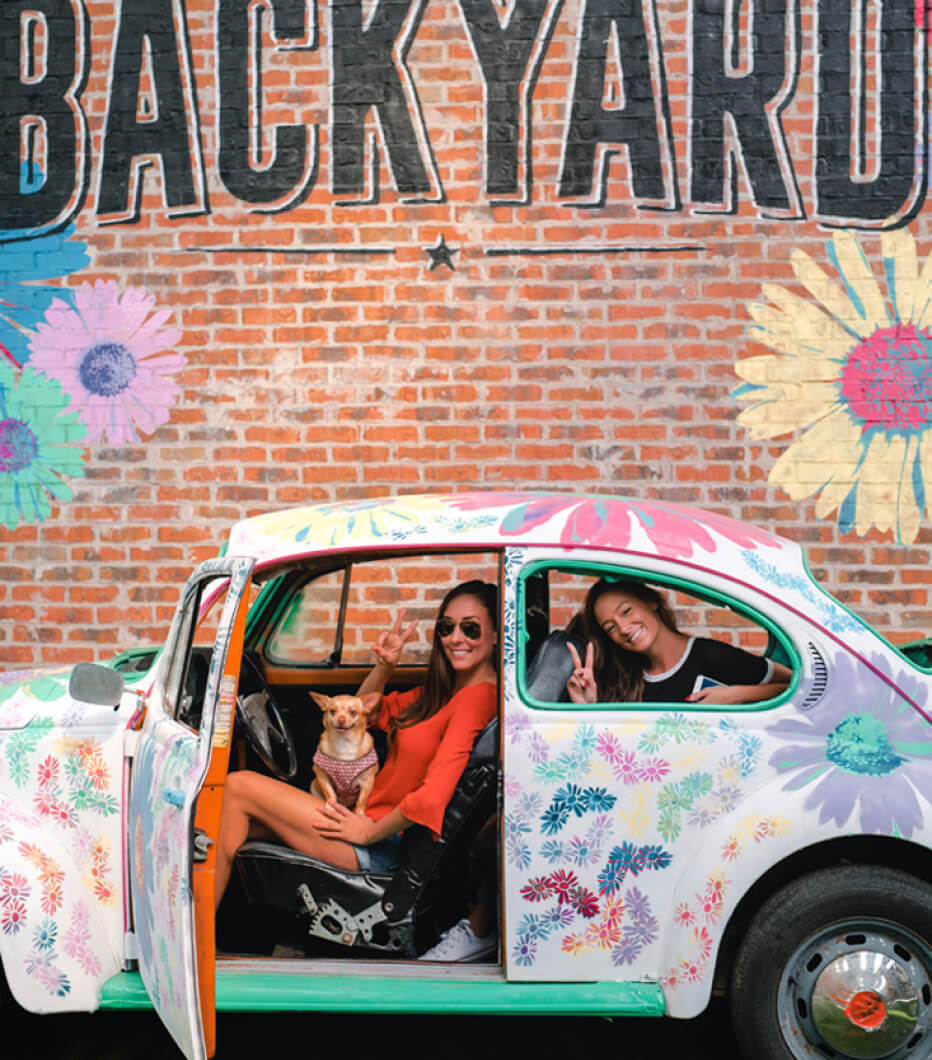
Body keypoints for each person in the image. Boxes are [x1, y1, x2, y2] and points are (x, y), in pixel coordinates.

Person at [214, 580, 499, 909]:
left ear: (495, 635)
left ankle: (198, 939)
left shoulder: (477, 698)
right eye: (447, 628)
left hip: (385, 843)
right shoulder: (444, 692)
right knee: (239, 822)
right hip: (367, 822)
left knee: (237, 788)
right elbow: (367, 712)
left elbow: (431, 799)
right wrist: (384, 667)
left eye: (471, 629)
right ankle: (223, 934)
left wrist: (366, 834)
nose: (455, 638)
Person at [566, 578, 791, 706]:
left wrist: (737, 695)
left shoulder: (710, 655)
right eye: (611, 627)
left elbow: (799, 685)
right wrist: (588, 706)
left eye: (626, 611)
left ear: (650, 602)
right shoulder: (625, 679)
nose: (624, 628)